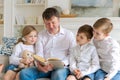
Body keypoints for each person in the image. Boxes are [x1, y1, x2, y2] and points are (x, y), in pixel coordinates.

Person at [19, 7, 76, 80]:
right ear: (44, 22)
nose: (51, 26)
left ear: (58, 20)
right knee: (24, 73)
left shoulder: (69, 34)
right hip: (44, 67)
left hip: (61, 68)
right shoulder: (41, 35)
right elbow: (39, 54)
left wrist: (63, 63)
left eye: (53, 22)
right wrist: (39, 65)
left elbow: (73, 54)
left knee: (58, 75)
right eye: (47, 24)